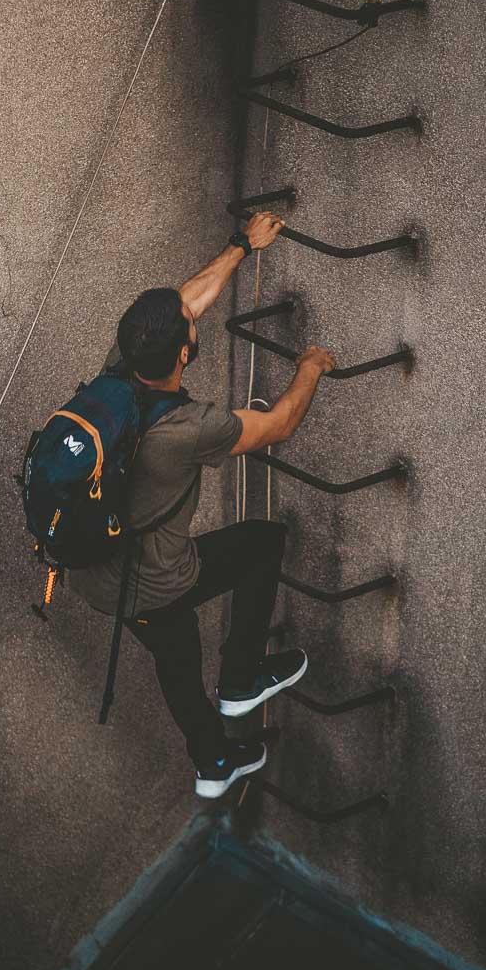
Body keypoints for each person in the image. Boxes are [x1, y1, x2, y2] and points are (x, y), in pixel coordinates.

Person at [67, 211, 336, 798]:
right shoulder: (191, 429)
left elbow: (186, 303)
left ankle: (213, 762)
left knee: (176, 656)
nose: (192, 323)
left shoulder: (119, 371)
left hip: (91, 573)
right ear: (185, 356)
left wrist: (241, 245)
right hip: (153, 578)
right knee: (263, 544)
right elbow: (279, 424)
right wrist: (310, 367)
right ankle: (241, 676)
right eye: (188, 331)